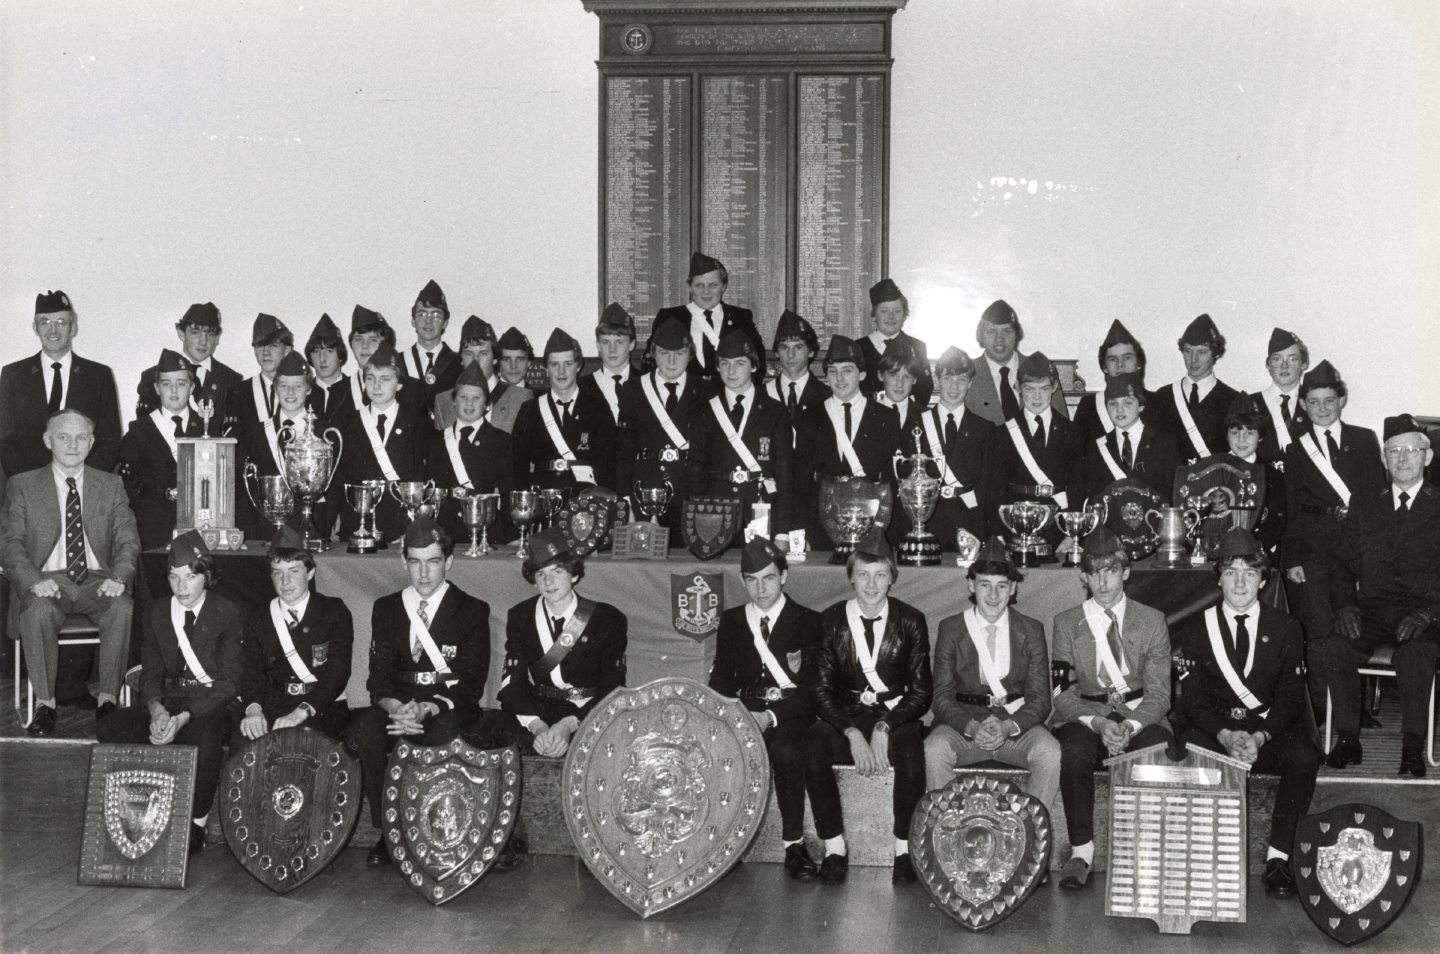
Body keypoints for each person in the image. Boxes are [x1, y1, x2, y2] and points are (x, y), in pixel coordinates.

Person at [470, 527, 628, 867]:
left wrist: (569, 726)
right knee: (485, 730)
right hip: (539, 709)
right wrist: (540, 728)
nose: (549, 581)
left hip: (586, 711)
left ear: (574, 573)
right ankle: (505, 837)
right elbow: (511, 685)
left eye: (557, 571)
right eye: (541, 574)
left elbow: (613, 688)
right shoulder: (521, 616)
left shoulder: (607, 619)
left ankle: (599, 845)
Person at [1174, 527, 1318, 897]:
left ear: (1263, 579)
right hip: (1216, 731)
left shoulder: (1286, 627)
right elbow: (1192, 700)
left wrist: (1259, 735)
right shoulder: (1195, 628)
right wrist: (1225, 735)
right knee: (1187, 745)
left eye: (1250, 573)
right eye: (1231, 572)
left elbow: (1290, 697)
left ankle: (1278, 857)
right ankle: (1202, 857)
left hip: (1263, 732)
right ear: (1218, 578)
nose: (1240, 583)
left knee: (1303, 756)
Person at [349, 515, 490, 865]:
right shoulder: (386, 608)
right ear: (404, 563)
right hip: (399, 706)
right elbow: (377, 678)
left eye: (433, 562)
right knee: (365, 730)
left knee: (443, 733)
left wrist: (426, 709)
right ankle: (389, 829)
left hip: (447, 705)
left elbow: (471, 682)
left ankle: (436, 830)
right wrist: (397, 707)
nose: (423, 574)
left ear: (449, 563)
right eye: (415, 563)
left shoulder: (471, 610)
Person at [96, 531, 243, 855]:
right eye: (174, 578)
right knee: (110, 727)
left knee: (204, 739)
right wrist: (157, 710)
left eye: (190, 577)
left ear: (207, 576)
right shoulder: (159, 612)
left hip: (210, 704)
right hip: (170, 701)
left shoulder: (227, 611)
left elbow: (228, 683)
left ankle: (197, 823)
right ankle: (140, 812)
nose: (181, 586)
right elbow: (151, 672)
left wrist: (182, 717)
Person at [803, 530, 932, 884]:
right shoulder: (830, 621)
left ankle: (904, 848)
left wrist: (884, 727)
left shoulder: (910, 620)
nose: (871, 584)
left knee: (909, 750)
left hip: (893, 713)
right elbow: (819, 690)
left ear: (892, 577)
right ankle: (833, 847)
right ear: (850, 577)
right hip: (844, 714)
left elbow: (921, 693)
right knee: (813, 743)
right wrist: (850, 732)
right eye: (863, 575)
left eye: (880, 575)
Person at [1314, 414, 1439, 776]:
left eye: (1411, 451)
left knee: (1416, 654)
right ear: (1384, 459)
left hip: (1425, 614)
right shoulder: (1367, 503)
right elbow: (1340, 564)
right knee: (1336, 644)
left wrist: (1429, 614)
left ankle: (1412, 748)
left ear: (1427, 458)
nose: (1402, 459)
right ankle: (1347, 740)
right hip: (1374, 609)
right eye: (1393, 451)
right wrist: (1346, 606)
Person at [1, 409, 139, 732]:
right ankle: (44, 705)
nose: (72, 445)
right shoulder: (22, 485)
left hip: (97, 581)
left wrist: (120, 576)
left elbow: (128, 540)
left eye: (81, 438)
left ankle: (108, 701)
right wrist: (34, 581)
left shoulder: (111, 484)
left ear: (91, 443)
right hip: (47, 581)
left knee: (123, 608)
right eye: (64, 437)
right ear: (48, 440)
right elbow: (9, 545)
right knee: (37, 612)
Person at [1050, 525, 1172, 890]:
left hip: (1138, 711)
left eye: (1112, 571)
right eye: (1095, 573)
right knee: (1072, 753)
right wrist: (1100, 724)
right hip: (1087, 713)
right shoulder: (1067, 622)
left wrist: (1130, 726)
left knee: (1155, 751)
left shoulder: (1151, 620)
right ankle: (1081, 851)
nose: (1103, 582)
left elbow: (1160, 694)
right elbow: (1062, 692)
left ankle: (1145, 854)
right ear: (1084, 576)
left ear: (1126, 572)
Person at [709, 538, 823, 880]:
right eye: (752, 580)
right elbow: (721, 679)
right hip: (744, 709)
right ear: (743, 581)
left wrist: (770, 717)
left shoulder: (808, 621)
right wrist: (732, 715)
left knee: (787, 750)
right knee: (724, 747)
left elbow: (813, 690)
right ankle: (724, 845)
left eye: (769, 578)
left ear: (784, 577)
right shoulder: (732, 621)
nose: (760, 588)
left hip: (789, 713)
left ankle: (793, 845)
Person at [924, 537, 1060, 813]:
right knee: (933, 750)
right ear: (971, 585)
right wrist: (972, 727)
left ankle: (1032, 833)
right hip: (964, 726)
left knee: (1050, 752)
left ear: (1013, 588)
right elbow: (941, 698)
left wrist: (1008, 727)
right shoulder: (952, 628)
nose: (993, 596)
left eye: (1001, 586)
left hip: (1013, 727)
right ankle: (949, 827)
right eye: (985, 585)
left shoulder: (1030, 630)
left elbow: (1040, 700)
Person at [1281, 361, 1385, 663]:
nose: (1322, 408)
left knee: (1355, 628)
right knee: (1318, 627)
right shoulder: (1297, 450)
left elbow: (1378, 498)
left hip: (1359, 547)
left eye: (1329, 400)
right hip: (1314, 550)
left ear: (1341, 401)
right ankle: (1321, 704)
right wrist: (1293, 559)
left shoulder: (1364, 439)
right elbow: (1292, 506)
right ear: (1302, 404)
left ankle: (1347, 703)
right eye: (1313, 402)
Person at [237, 526, 356, 761]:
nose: (285, 581)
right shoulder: (258, 617)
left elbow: (337, 672)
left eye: (293, 571)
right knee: (243, 749)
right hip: (274, 703)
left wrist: (302, 712)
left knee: (304, 749)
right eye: (277, 572)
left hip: (321, 704)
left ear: (310, 573)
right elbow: (252, 670)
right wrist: (253, 709)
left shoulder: (333, 611)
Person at [686, 330, 794, 548]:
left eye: (740, 364)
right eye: (724, 364)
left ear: (753, 366)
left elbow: (784, 473)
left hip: (760, 509)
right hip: (716, 514)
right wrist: (696, 518)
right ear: (717, 367)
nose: (731, 371)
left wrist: (782, 532)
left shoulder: (775, 412)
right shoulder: (705, 410)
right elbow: (696, 470)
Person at [794, 335, 901, 550]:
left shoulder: (885, 417)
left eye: (847, 370)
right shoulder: (810, 417)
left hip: (872, 521)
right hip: (823, 522)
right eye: (833, 372)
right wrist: (801, 530)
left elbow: (891, 478)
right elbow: (802, 480)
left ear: (862, 374)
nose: (839, 379)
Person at [1, 290, 123, 476]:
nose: (53, 331)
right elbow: (5, 441)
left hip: (84, 488)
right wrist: (32, 485)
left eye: (61, 322)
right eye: (45, 322)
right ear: (35, 327)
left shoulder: (99, 376)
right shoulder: (14, 375)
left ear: (73, 327)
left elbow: (110, 440)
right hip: (27, 490)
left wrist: (80, 481)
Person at [335, 341, 431, 542]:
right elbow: (338, 478)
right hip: (356, 526)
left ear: (399, 384)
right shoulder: (346, 423)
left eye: (385, 379)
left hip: (402, 528)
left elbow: (424, 477)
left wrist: (416, 527)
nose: (376, 386)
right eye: (370, 378)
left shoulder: (418, 424)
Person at [615, 315, 703, 528]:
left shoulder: (706, 391)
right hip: (645, 490)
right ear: (653, 354)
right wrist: (625, 499)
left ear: (690, 355)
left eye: (680, 353)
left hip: (690, 491)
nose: (672, 361)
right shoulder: (633, 390)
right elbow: (624, 450)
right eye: (664, 353)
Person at [992, 351, 1084, 550]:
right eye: (1029, 388)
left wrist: (1072, 534)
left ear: (1055, 388)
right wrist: (997, 534)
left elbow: (1079, 484)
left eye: (1044, 389)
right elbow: (995, 488)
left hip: (1060, 526)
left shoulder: (1074, 432)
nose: (1036, 396)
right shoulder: (1003, 433)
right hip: (1015, 525)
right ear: (1017, 388)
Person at [118, 349, 208, 548]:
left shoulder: (206, 428)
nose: (174, 391)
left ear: (192, 387)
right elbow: (129, 487)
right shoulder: (139, 432)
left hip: (200, 530)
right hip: (153, 532)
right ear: (157, 388)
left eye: (181, 384)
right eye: (167, 384)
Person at [510, 329, 616, 492]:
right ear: (545, 368)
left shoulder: (597, 408)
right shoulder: (530, 410)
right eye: (554, 364)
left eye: (568, 364)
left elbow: (608, 463)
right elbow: (517, 465)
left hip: (586, 498)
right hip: (543, 497)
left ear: (578, 366)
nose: (561, 372)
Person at [237, 351, 324, 539]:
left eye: (298, 386)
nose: (290, 393)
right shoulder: (257, 433)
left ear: (309, 389)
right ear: (275, 388)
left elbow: (332, 488)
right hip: (266, 530)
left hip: (311, 529)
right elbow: (246, 487)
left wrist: (319, 527)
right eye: (284, 385)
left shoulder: (323, 432)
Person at [916, 346, 996, 548]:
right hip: (927, 521)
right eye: (947, 379)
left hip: (969, 521)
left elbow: (988, 486)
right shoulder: (916, 424)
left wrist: (986, 532)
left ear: (970, 383)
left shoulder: (984, 429)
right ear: (937, 380)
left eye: (961, 380)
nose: (954, 387)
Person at [427, 361, 515, 543]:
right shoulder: (436, 440)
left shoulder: (502, 440)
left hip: (488, 529)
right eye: (462, 397)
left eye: (476, 398)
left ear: (487, 404)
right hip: (445, 530)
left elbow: (509, 492)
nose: (469, 403)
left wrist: (512, 535)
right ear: (453, 401)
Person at [649, 252, 765, 383]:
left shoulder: (741, 318)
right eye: (699, 285)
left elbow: (758, 361)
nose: (706, 291)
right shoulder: (671, 317)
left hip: (726, 397)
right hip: (684, 397)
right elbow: (651, 361)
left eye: (713, 285)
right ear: (689, 287)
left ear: (724, 286)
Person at [1147, 314, 1239, 464]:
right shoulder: (1163, 397)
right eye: (1188, 351)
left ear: (1215, 353)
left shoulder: (1232, 400)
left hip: (1214, 484)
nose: (1193, 359)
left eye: (1202, 352)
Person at [134, 301, 242, 426]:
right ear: (181, 334)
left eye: (210, 334)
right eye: (195, 333)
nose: (203, 342)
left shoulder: (231, 381)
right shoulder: (152, 376)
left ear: (217, 338)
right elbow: (144, 431)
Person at [965, 299, 1068, 426]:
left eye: (1007, 331)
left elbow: (1063, 426)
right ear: (981, 335)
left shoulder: (1041, 367)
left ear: (1016, 334)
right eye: (991, 331)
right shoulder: (967, 373)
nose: (999, 338)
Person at [1081, 371, 1179, 501]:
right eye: (1112, 403)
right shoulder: (1097, 447)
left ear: (1141, 405)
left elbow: (1174, 494)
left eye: (1128, 403)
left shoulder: (1164, 443)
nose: (1119, 409)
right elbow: (1092, 497)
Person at [1074, 320, 1153, 445]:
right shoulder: (1089, 406)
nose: (1120, 364)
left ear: (1139, 363)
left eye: (1127, 358)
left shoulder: (1157, 402)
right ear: (1104, 367)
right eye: (1112, 359)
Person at [857, 279, 932, 407]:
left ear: (904, 315)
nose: (891, 317)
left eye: (897, 311)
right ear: (874, 315)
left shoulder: (917, 347)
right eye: (884, 311)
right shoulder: (858, 347)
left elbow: (925, 388)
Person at [399, 279, 461, 411]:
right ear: (413, 321)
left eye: (436, 315)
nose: (428, 321)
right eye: (422, 314)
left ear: (445, 323)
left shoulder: (459, 363)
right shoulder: (398, 362)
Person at [432, 315, 500, 431]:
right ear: (461, 360)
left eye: (483, 353)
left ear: (495, 358)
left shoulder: (517, 398)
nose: (475, 360)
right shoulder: (443, 400)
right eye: (469, 353)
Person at [763, 309, 830, 424]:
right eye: (784, 347)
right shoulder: (762, 395)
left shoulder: (827, 396)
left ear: (811, 352)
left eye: (798, 347)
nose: (790, 355)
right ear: (776, 352)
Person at [1256, 327, 1310, 464]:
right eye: (1276, 359)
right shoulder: (1250, 403)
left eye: (1292, 359)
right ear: (1267, 365)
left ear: (1304, 364)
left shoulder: (1314, 404)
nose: (1284, 366)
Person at [579, 302, 636, 426]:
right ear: (598, 345)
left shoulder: (646, 382)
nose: (612, 349)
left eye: (619, 342)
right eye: (606, 342)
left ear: (631, 344)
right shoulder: (582, 387)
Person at [872, 339, 926, 434]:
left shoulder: (926, 416)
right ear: (880, 375)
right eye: (893, 375)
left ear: (914, 380)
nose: (900, 383)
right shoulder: (865, 413)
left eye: (907, 376)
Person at [490, 326, 537, 435]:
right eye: (507, 359)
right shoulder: (488, 395)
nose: (513, 366)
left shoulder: (541, 397)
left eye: (520, 359)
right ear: (498, 362)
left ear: (529, 363)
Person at [304, 313, 350, 422]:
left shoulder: (354, 390)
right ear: (310, 356)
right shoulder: (302, 393)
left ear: (340, 355)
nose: (322, 359)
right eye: (316, 352)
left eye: (329, 351)